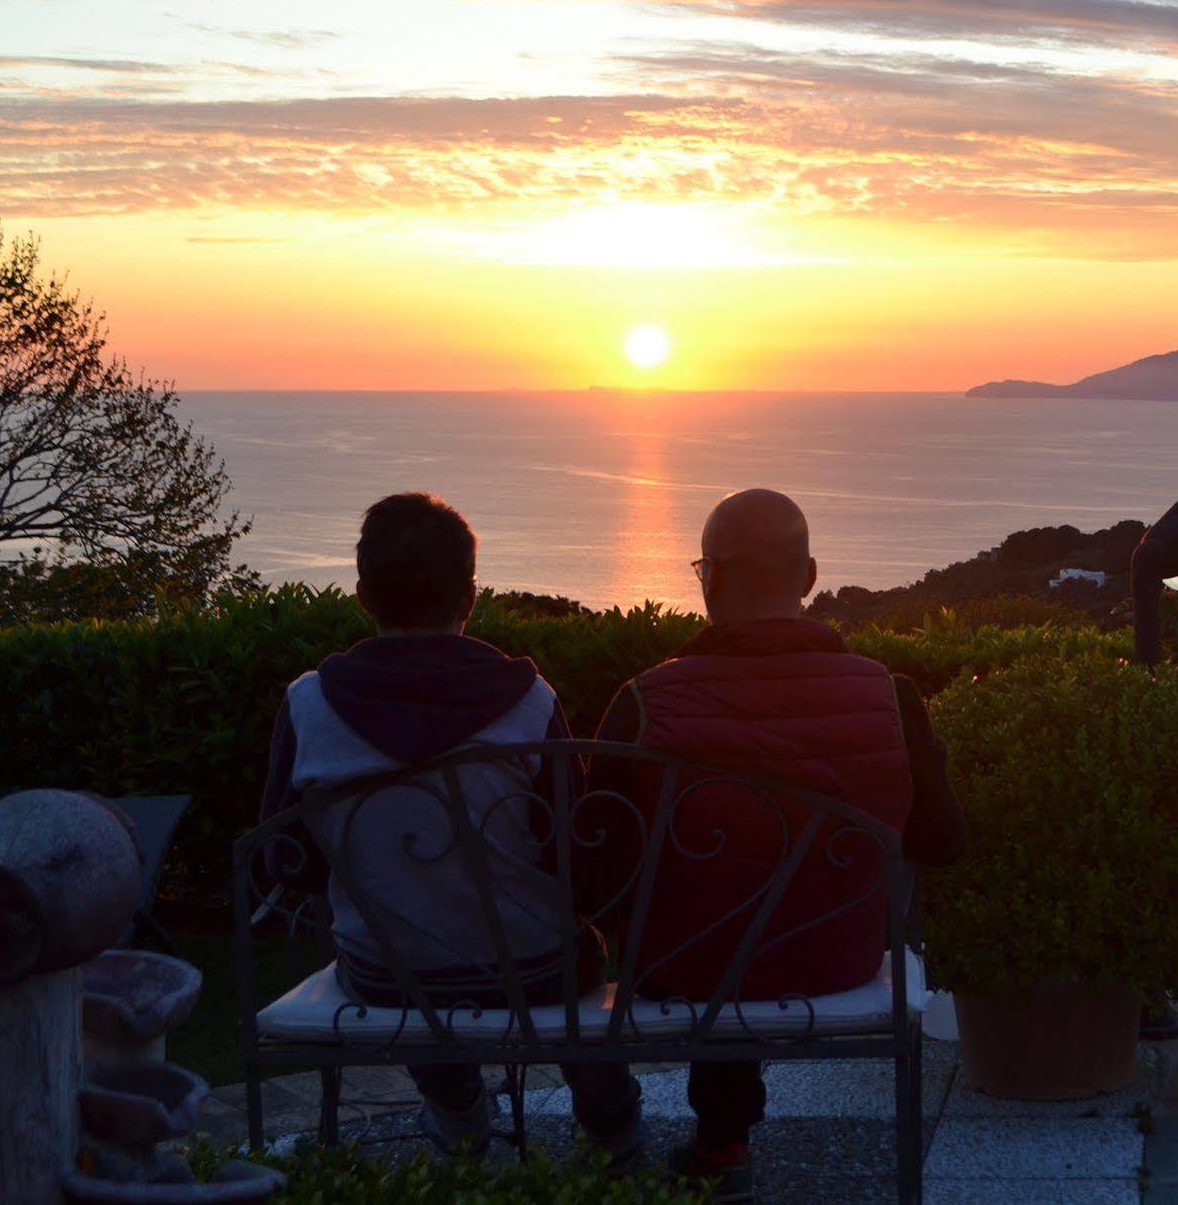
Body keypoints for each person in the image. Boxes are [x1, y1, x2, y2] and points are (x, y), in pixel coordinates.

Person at [594, 488, 966, 1200]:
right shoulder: (893, 697)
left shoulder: (645, 700)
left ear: (708, 579)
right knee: (749, 921)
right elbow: (943, 843)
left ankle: (718, 1143)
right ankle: (721, 1142)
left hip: (685, 968)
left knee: (720, 925)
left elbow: (599, 870)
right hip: (840, 962)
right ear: (808, 578)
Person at [258, 492, 642, 1161]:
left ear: (362, 596)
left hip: (387, 974)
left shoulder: (308, 705)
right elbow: (572, 852)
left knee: (411, 953)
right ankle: (609, 1124)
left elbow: (286, 861)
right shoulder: (530, 698)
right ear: (469, 596)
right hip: (535, 970)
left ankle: (459, 1115)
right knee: (575, 955)